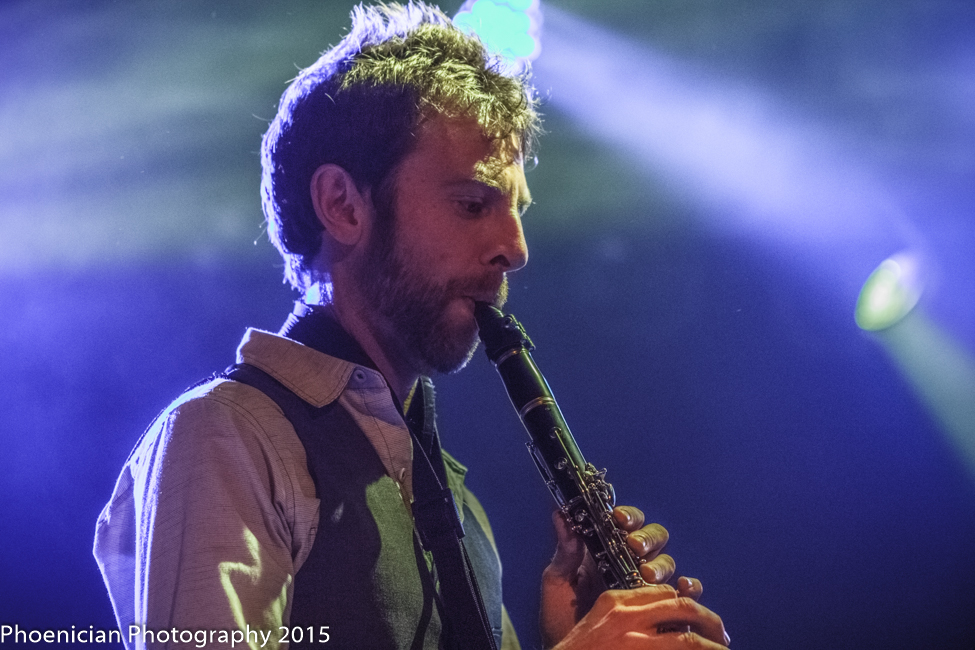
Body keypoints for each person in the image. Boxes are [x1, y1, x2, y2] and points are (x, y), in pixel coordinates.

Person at [94, 3, 730, 649]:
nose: (515, 248)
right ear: (343, 205)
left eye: (516, 210)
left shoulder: (458, 504)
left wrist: (564, 636)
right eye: (472, 203)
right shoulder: (226, 437)